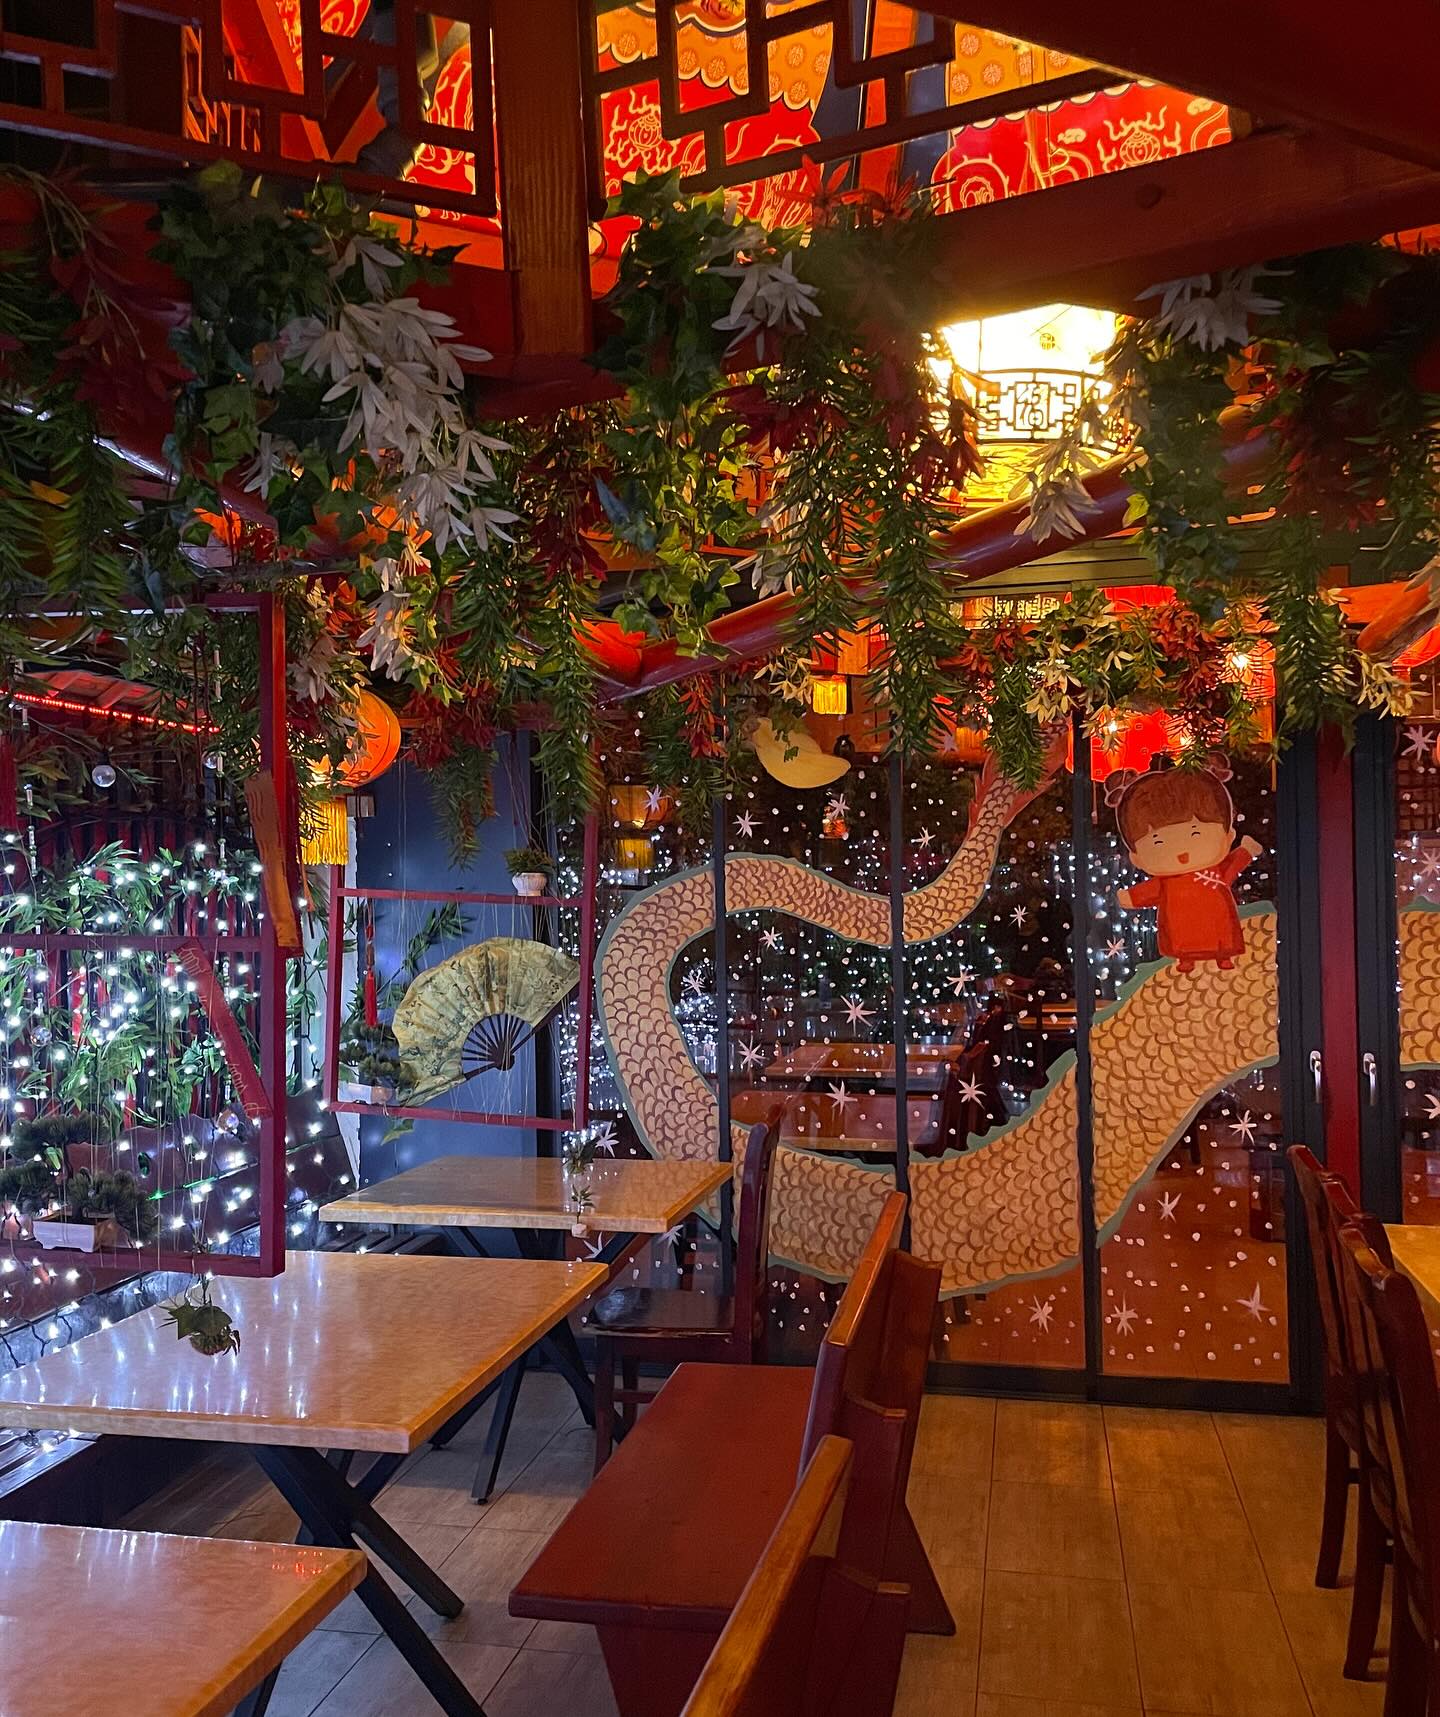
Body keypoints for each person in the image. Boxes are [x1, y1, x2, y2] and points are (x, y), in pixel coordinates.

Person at [1112, 763, 1262, 973]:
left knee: (1222, 935)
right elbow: (1150, 890)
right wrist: (1131, 897)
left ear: (1227, 837)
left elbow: (1232, 866)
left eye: (1196, 833)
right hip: (1182, 929)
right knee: (1184, 939)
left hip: (1216, 923)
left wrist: (1245, 851)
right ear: (1137, 858)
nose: (1181, 852)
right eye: (1158, 842)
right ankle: (1186, 959)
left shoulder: (1214, 873)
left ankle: (1223, 957)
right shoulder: (1169, 882)